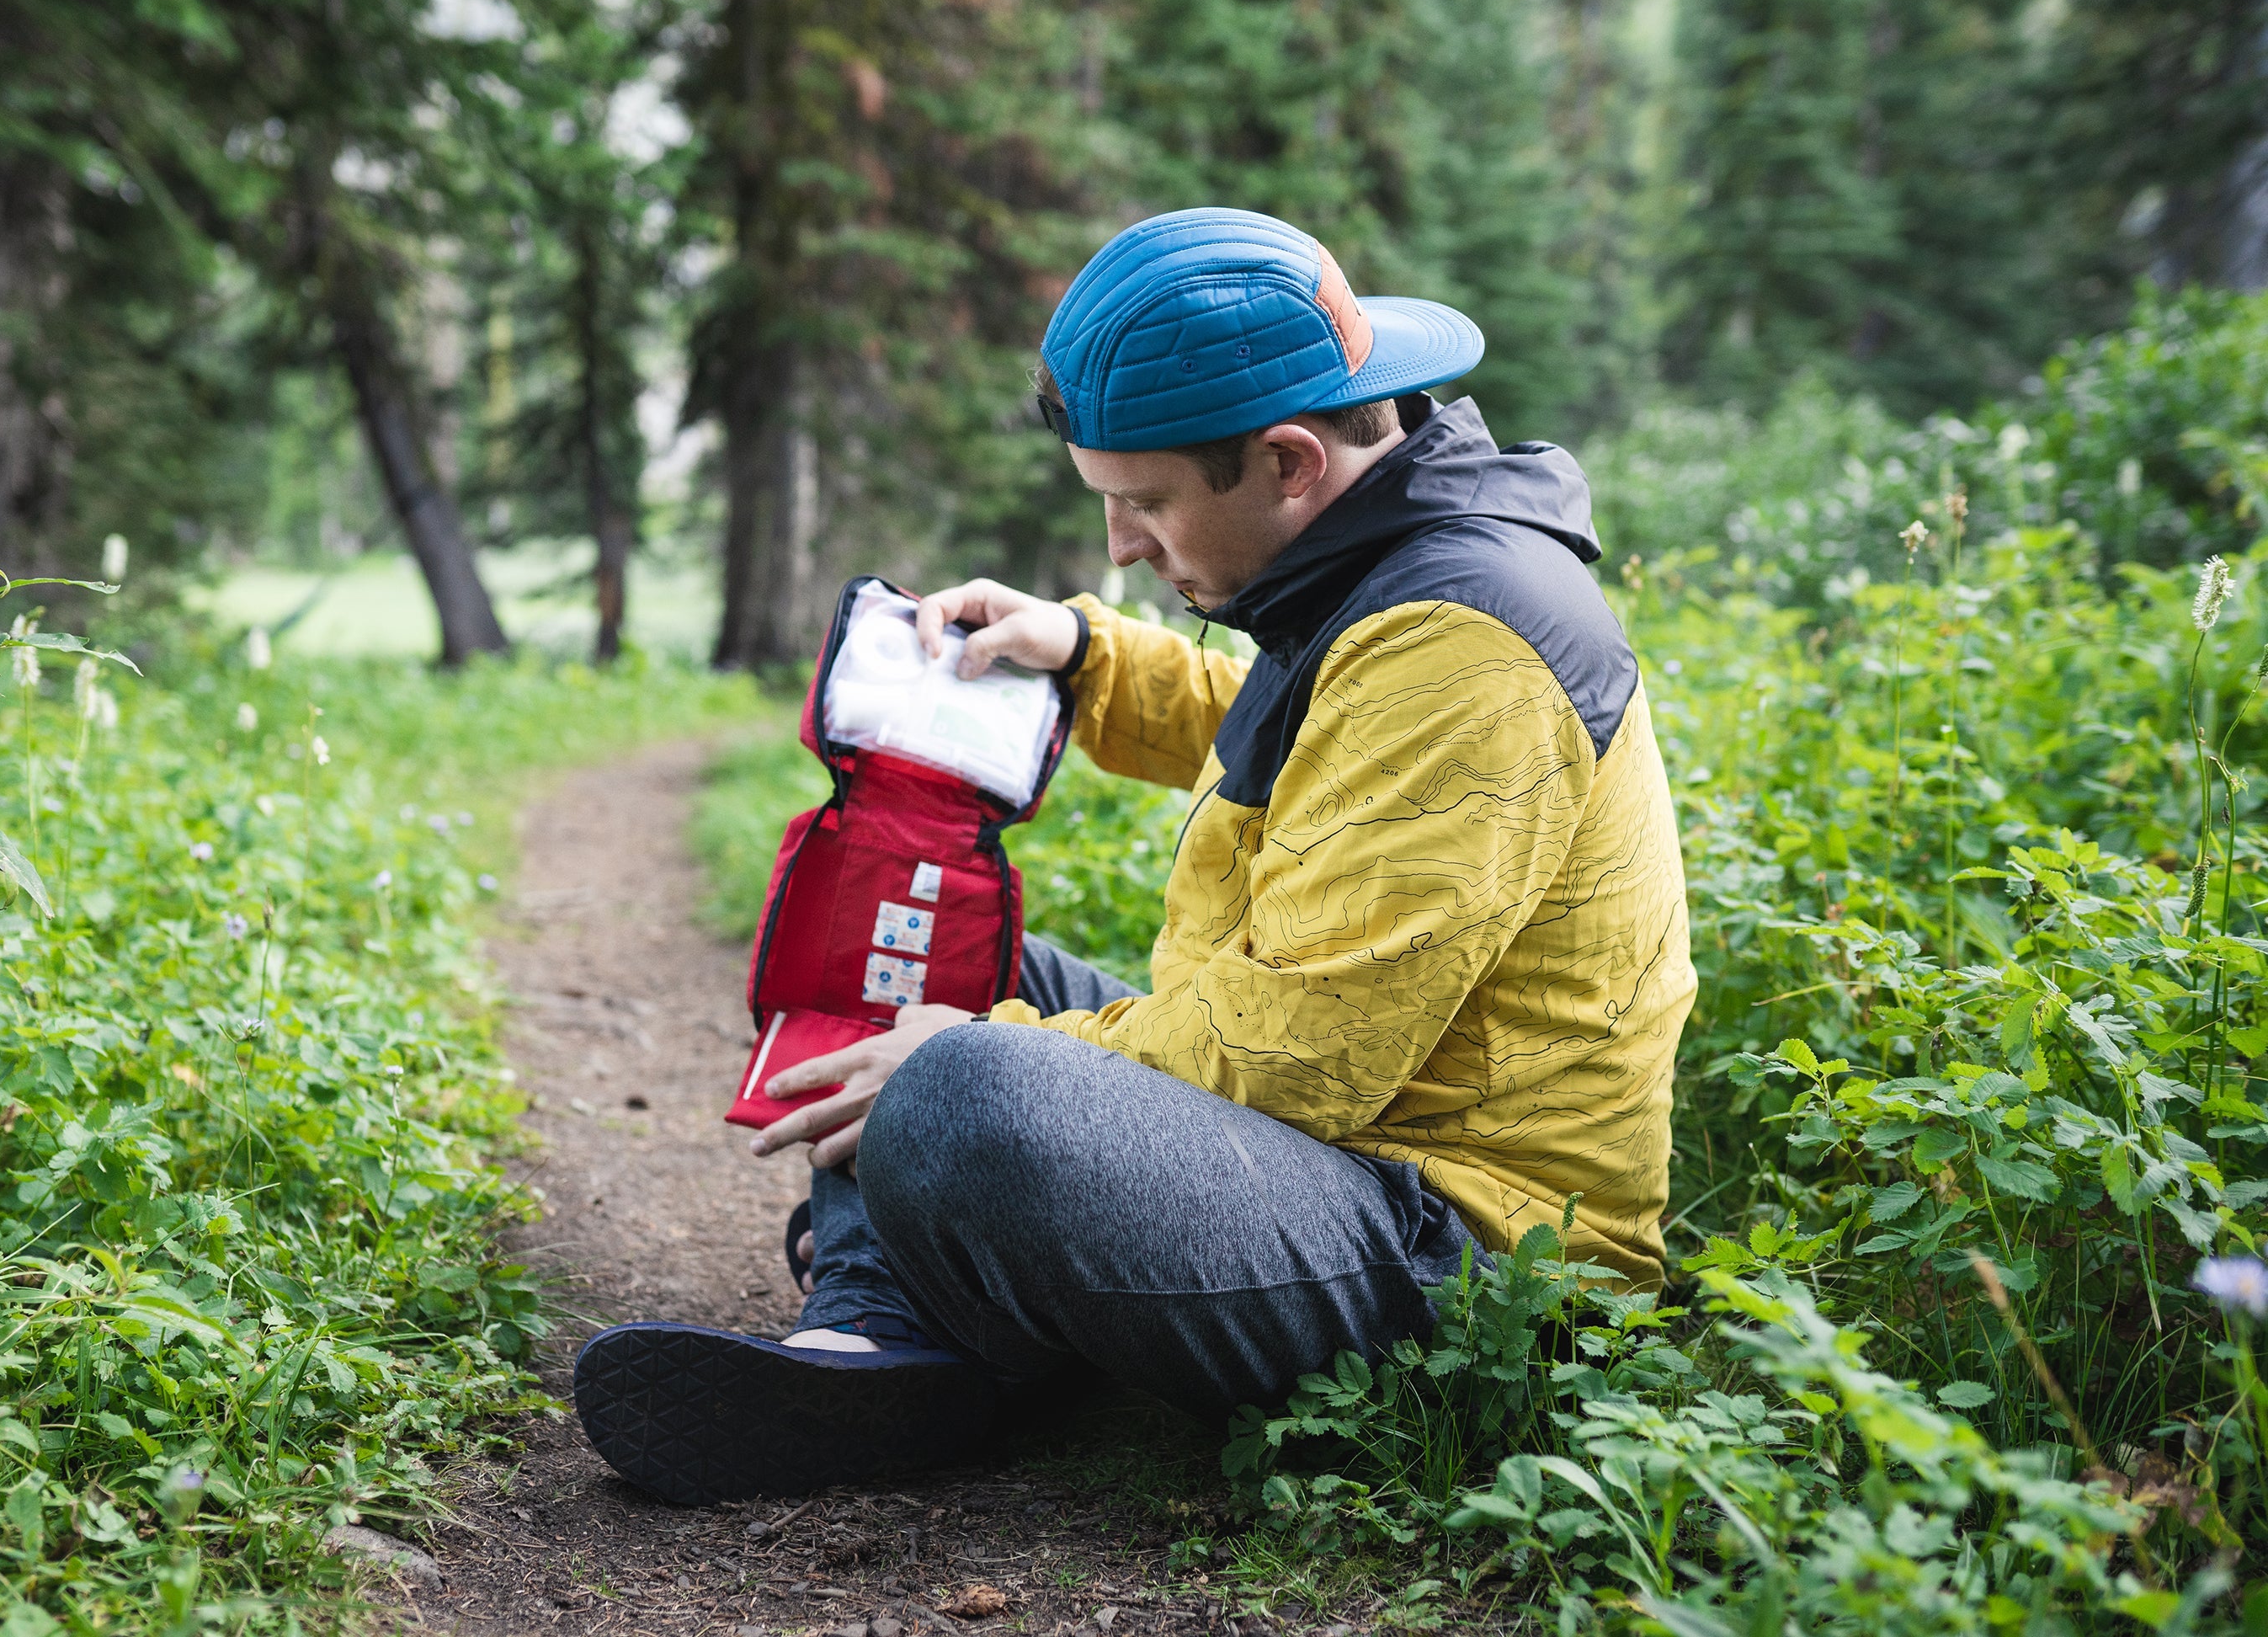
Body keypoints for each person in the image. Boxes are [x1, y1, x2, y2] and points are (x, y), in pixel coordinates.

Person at [571, 206, 1696, 1506]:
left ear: (1288, 461)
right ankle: (887, 1334)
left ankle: (958, 1321)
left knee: (965, 1076)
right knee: (932, 955)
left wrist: (971, 1053)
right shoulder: (1390, 575)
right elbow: (1309, 738)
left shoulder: (1464, 648)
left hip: (1465, 1250)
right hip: (1346, 1156)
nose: (1121, 545)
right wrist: (1085, 654)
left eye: (1145, 502)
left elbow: (1299, 1053)